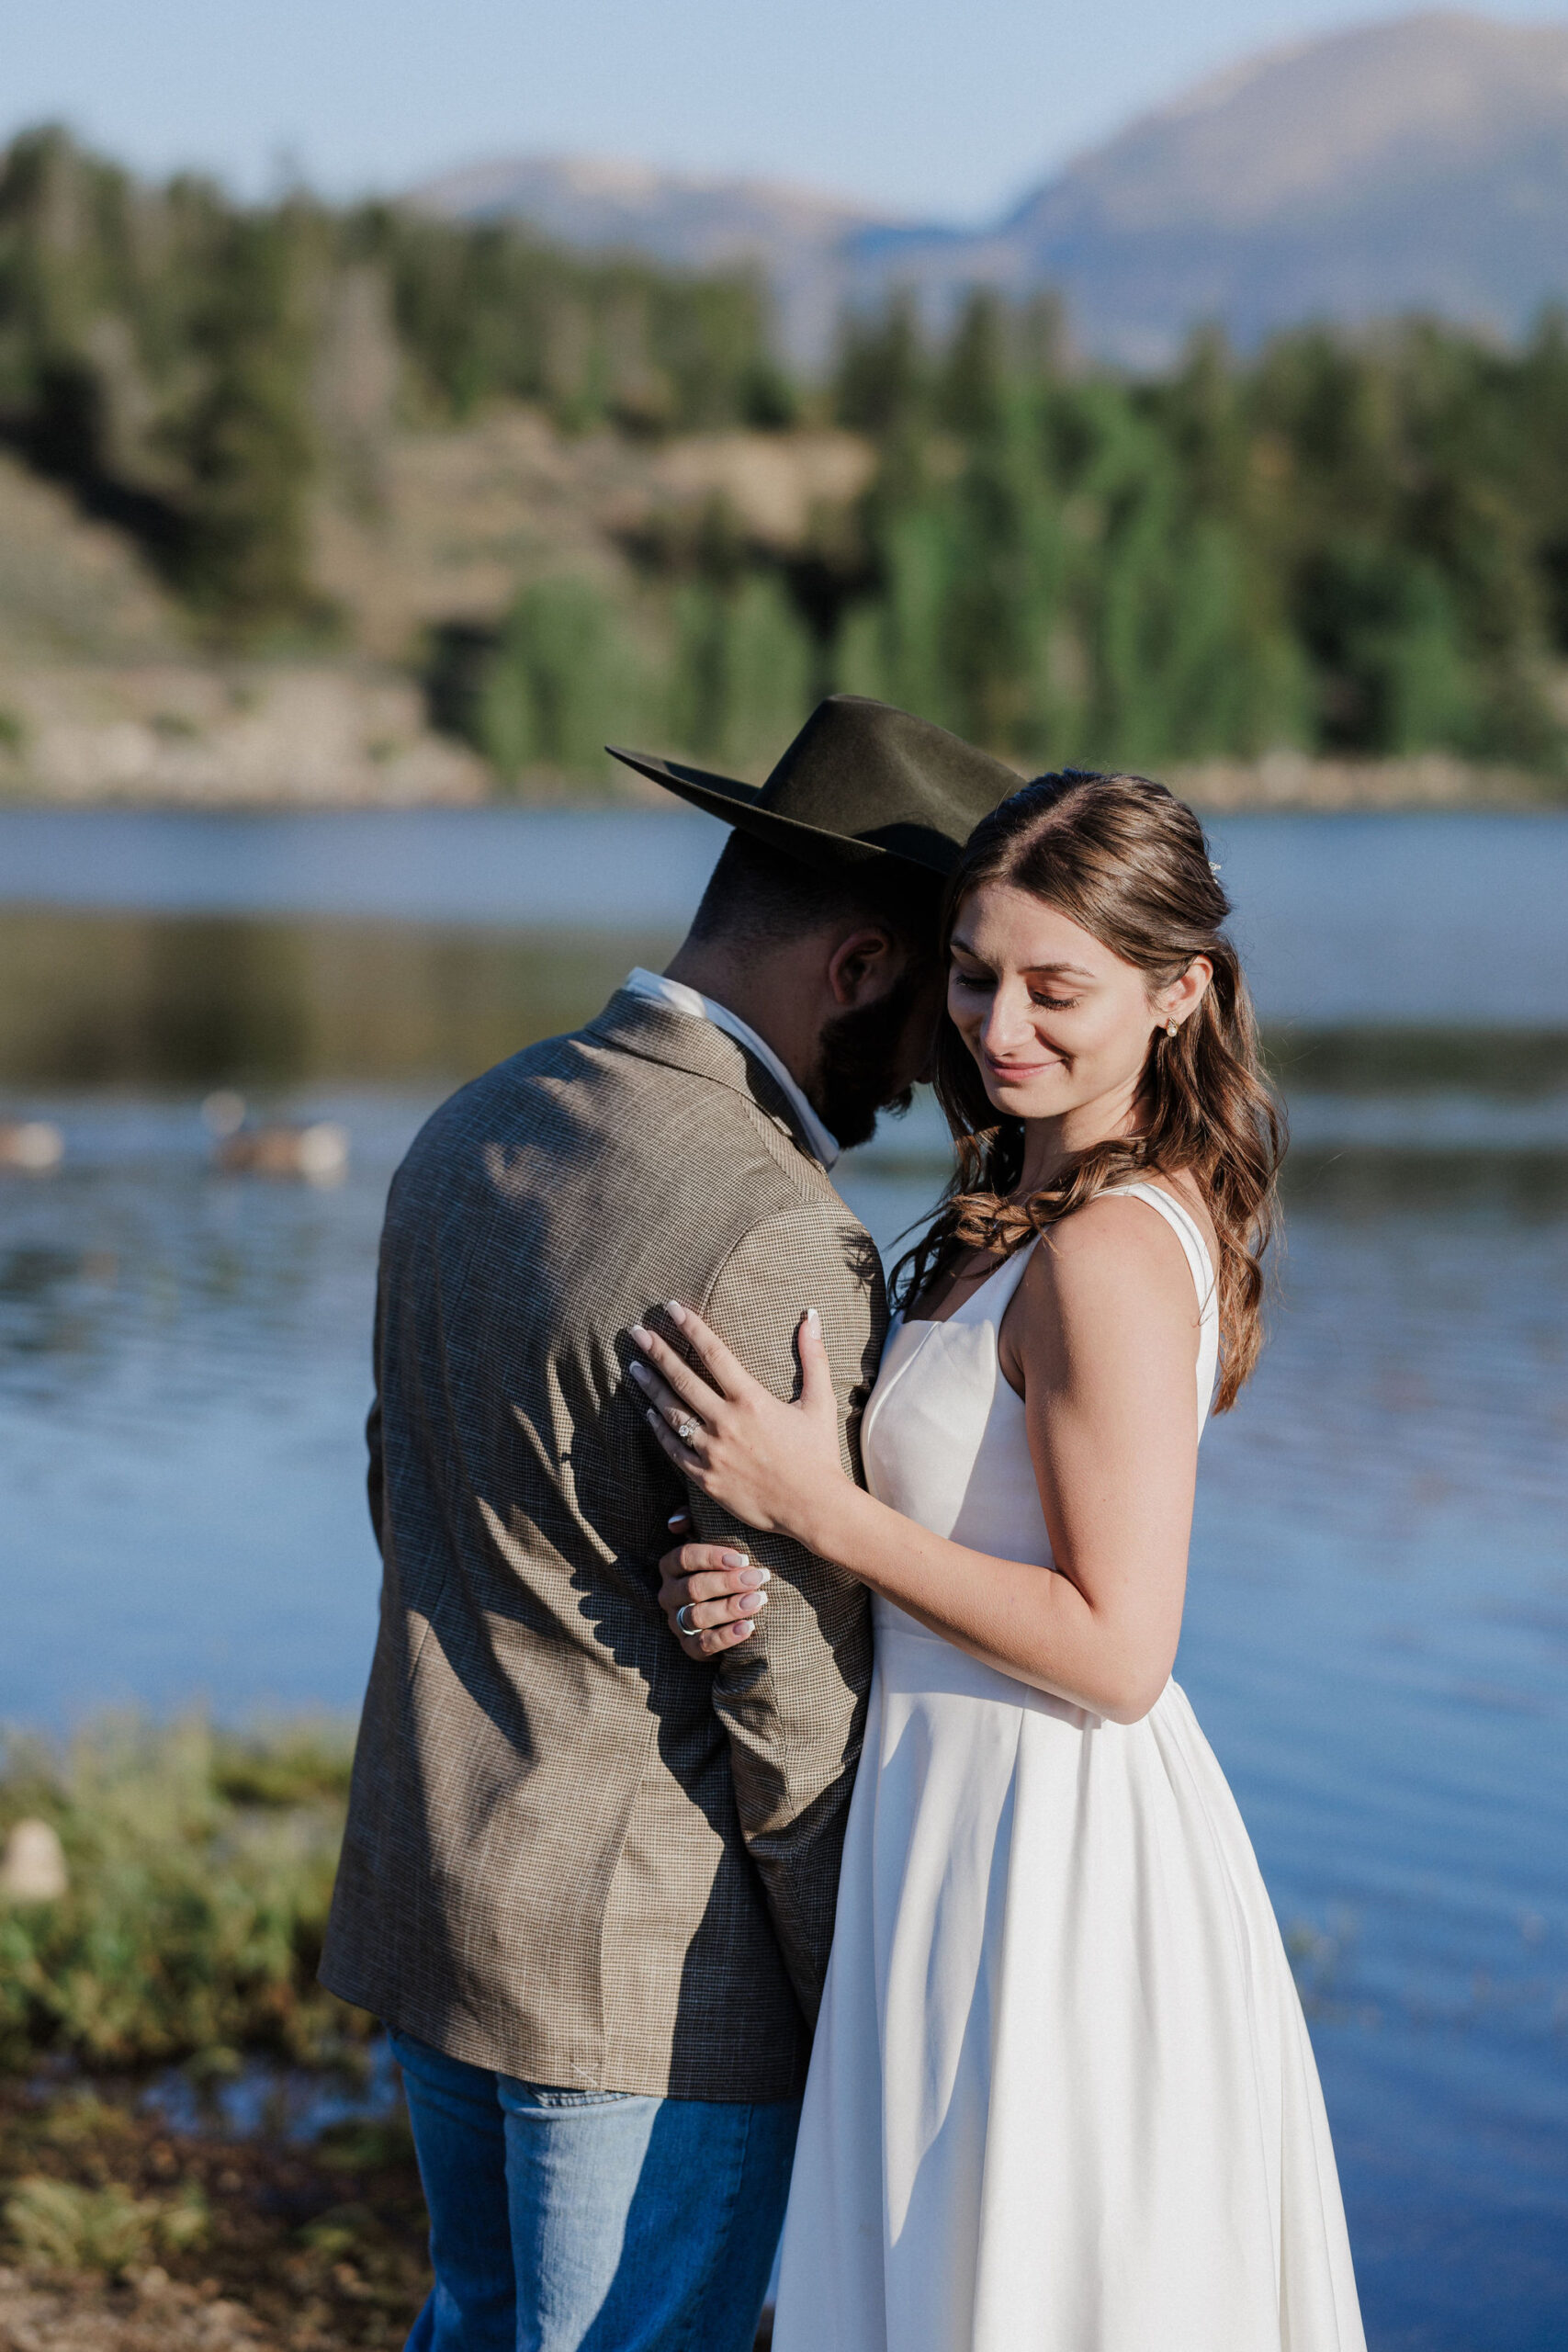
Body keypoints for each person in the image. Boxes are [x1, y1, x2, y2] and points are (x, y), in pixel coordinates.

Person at [319, 695, 1023, 2352]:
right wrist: (865, 1974)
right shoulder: (774, 1231)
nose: (937, 1069)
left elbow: (395, 1489)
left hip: (440, 1897)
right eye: (936, 1006)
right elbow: (782, 1692)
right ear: (856, 967)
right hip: (647, 1976)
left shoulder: (470, 1125)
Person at [638, 770, 1367, 2351]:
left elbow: (1120, 1647)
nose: (1000, 1026)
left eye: (1058, 990)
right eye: (974, 974)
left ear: (1181, 994)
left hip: (1050, 1836)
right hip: (945, 1806)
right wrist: (770, 1558)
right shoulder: (1013, 1202)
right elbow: (954, 1536)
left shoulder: (1108, 1251)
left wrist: (823, 1512)